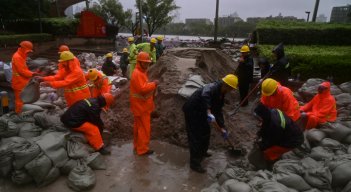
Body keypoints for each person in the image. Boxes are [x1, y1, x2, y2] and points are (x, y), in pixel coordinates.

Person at [182, 74, 238, 173]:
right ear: (226, 85)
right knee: (196, 136)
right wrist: (208, 111)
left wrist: (222, 127)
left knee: (205, 132)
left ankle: (203, 152)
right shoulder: (212, 88)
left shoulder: (221, 93)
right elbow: (205, 94)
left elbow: (218, 111)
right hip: (193, 110)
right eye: (231, 88)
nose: (231, 91)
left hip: (202, 111)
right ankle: (194, 163)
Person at [250, 103, 303, 168]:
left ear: (263, 116)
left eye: (258, 118)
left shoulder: (275, 125)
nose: (258, 120)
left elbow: (272, 141)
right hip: (287, 132)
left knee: (268, 153)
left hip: (293, 141)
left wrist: (260, 146)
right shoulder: (272, 111)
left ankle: (270, 164)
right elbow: (265, 124)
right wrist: (260, 134)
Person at [130, 52, 159, 156]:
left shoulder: (140, 72)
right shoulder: (138, 73)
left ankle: (137, 146)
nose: (147, 65)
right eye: (145, 63)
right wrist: (154, 84)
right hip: (141, 107)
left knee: (139, 127)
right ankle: (142, 149)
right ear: (140, 62)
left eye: (148, 63)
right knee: (144, 129)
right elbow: (142, 89)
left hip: (141, 106)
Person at [11, 41, 40, 114]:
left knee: (23, 99)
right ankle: (19, 114)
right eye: (27, 51)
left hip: (22, 82)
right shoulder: (17, 57)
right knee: (20, 101)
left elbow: (24, 69)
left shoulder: (21, 55)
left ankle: (21, 113)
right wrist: (33, 74)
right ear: (22, 48)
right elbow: (22, 71)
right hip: (19, 83)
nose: (28, 53)